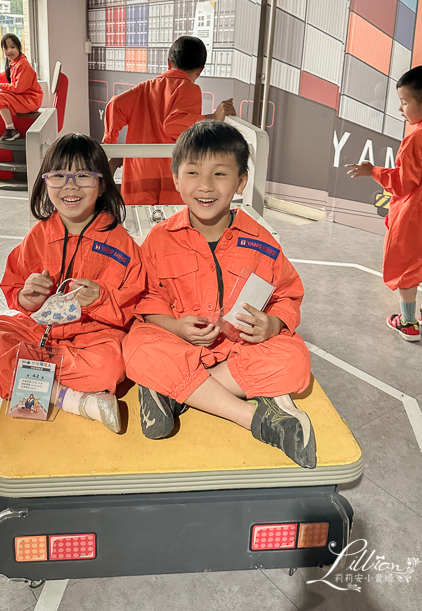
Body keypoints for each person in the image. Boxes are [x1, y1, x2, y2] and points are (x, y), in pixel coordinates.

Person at [123, 120, 316, 468]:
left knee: (295, 361)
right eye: (193, 173)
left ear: (241, 181)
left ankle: (172, 393)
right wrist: (176, 327)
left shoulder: (263, 242)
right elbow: (147, 300)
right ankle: (252, 417)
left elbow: (288, 295)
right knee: (136, 346)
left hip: (237, 351)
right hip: (178, 344)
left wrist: (272, 324)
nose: (206, 186)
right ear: (176, 179)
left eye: (221, 174)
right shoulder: (158, 239)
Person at [0, 133, 145, 433]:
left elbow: (132, 305)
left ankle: (13, 374)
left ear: (102, 184)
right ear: (46, 181)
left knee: (112, 366)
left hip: (94, 335)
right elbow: (16, 291)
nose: (70, 186)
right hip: (42, 331)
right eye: (59, 176)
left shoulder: (121, 243)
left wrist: (101, 299)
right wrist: (28, 297)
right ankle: (75, 400)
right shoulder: (38, 235)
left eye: (82, 176)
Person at [346, 64, 422, 341]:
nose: (401, 109)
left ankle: (408, 322)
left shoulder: (417, 137)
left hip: (416, 215)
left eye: (404, 102)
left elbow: (403, 183)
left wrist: (372, 171)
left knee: (408, 266)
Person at [102, 36, 236, 205]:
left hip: (138, 176)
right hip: (170, 179)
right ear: (200, 70)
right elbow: (173, 125)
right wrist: (213, 118)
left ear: (168, 63)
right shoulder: (190, 89)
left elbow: (115, 105)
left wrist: (111, 144)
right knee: (170, 226)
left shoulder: (144, 88)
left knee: (140, 225)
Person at [0, 33, 43, 143]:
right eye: (5, 48)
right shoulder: (15, 63)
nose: (9, 51)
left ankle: (11, 129)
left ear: (19, 48)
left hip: (30, 100)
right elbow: (7, 78)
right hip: (25, 98)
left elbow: (18, 88)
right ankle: (11, 128)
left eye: (12, 47)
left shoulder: (23, 64)